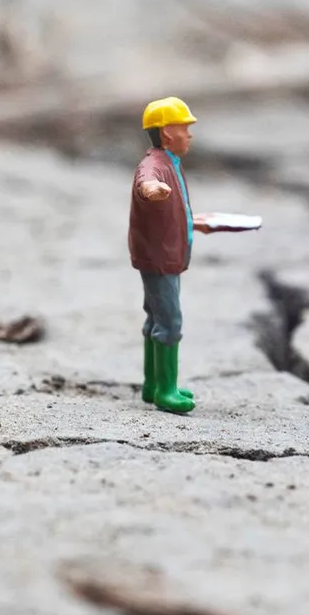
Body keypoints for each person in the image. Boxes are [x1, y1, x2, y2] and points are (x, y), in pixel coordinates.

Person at [128, 96, 212, 414]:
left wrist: (194, 222)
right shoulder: (154, 166)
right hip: (159, 258)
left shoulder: (170, 162)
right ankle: (166, 390)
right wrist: (151, 191)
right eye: (184, 128)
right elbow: (145, 183)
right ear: (166, 133)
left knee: (156, 317)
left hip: (164, 254)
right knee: (170, 322)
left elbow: (171, 209)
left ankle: (153, 385)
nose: (189, 134)